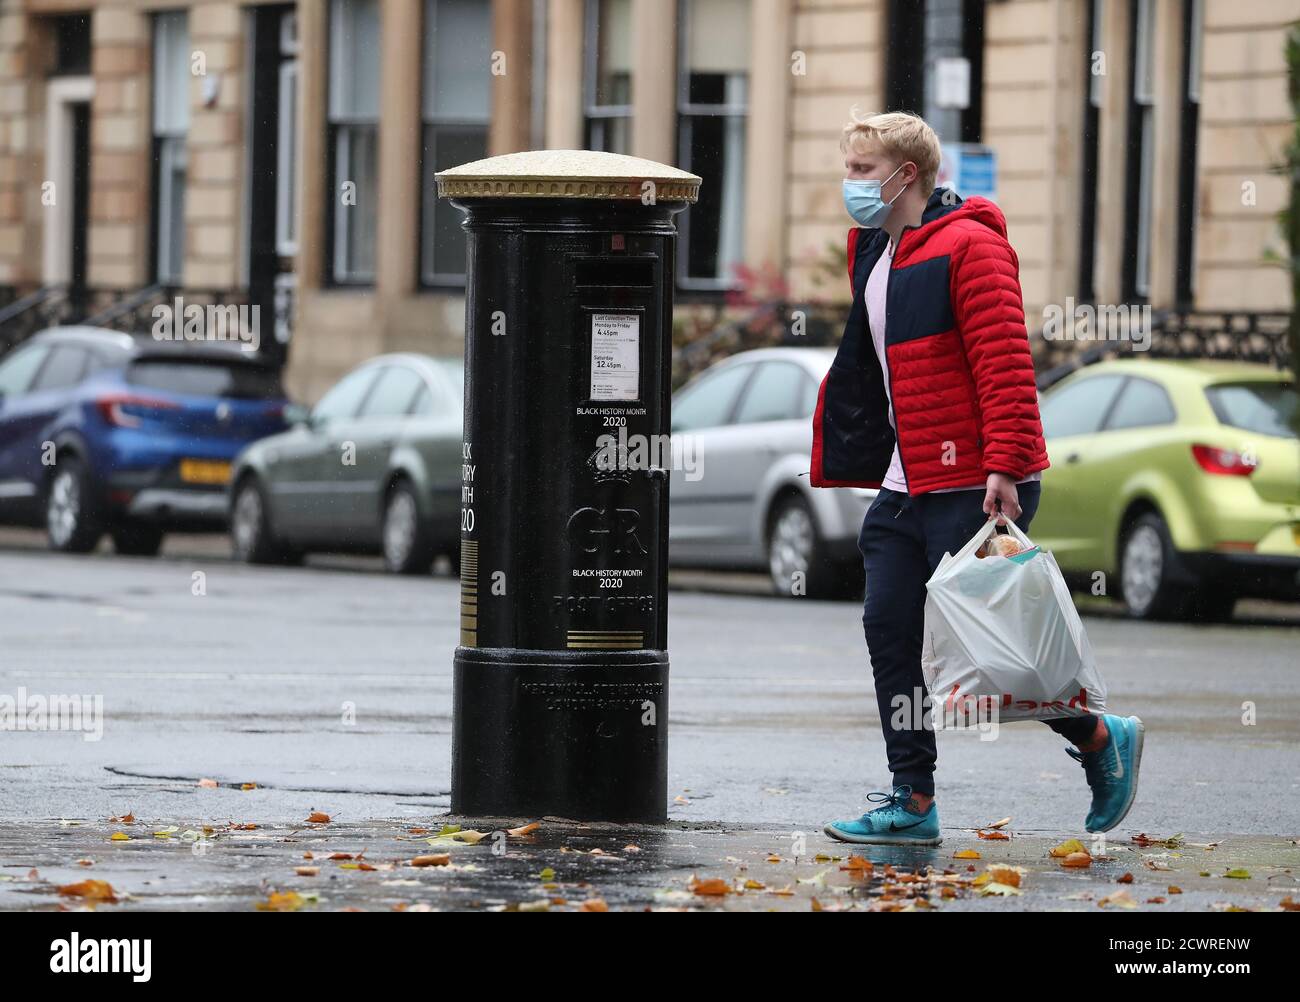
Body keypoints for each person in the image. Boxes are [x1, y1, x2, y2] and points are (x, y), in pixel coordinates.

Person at [809, 110, 1143, 846]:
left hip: (974, 477)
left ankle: (1098, 737)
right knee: (888, 628)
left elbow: (1005, 364)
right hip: (908, 477)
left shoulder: (971, 248)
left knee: (996, 651)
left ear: (907, 175)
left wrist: (1006, 464)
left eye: (863, 170)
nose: (850, 184)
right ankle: (913, 800)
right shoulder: (873, 251)